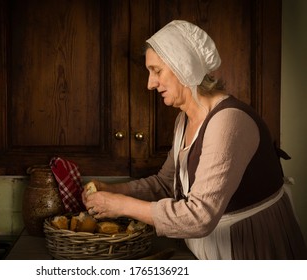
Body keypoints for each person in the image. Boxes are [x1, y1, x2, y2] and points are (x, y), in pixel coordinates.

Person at [82, 20, 307, 260]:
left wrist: (120, 205)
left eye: (156, 71)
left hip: (248, 248)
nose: (150, 84)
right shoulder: (184, 119)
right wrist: (114, 190)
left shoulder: (228, 121)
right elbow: (166, 184)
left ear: (184, 67)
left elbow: (199, 217)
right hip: (209, 246)